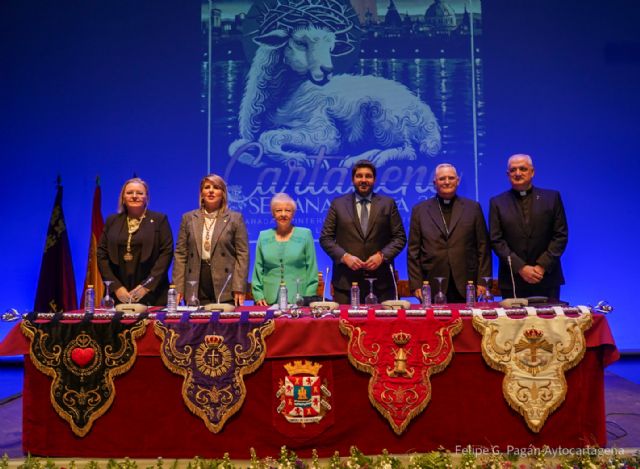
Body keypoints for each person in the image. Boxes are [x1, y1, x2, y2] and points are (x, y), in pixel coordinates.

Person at [319, 159, 407, 304]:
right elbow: (325, 238)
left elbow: (400, 238)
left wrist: (382, 256)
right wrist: (344, 256)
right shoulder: (338, 204)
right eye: (359, 176)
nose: (364, 180)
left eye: (368, 176)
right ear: (353, 179)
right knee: (345, 325)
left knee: (383, 326)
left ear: (374, 179)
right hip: (346, 283)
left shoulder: (388, 204)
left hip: (382, 284)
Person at [407, 163, 491, 303]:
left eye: (451, 178)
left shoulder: (473, 208)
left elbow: (483, 247)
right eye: (442, 179)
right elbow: (413, 251)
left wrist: (483, 281)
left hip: (468, 282)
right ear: (435, 183)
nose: (447, 182)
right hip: (432, 282)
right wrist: (416, 284)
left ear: (457, 181)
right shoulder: (420, 210)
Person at [489, 154, 568, 300]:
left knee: (549, 323)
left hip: (546, 278)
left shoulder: (552, 198)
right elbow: (496, 240)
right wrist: (521, 268)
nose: (518, 173)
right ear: (508, 174)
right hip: (513, 279)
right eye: (513, 170)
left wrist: (541, 266)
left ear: (532, 172)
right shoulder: (497, 203)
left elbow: (560, 236)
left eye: (523, 169)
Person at [173, 174, 249, 306]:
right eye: (207, 187)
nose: (211, 191)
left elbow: (243, 255)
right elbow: (180, 254)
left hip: (226, 283)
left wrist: (239, 286)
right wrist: (178, 287)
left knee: (225, 325)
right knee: (196, 325)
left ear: (223, 193)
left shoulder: (235, 218)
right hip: (195, 282)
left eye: (216, 187)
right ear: (201, 193)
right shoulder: (188, 218)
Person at [97, 177, 173, 305]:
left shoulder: (159, 220)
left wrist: (146, 286)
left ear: (146, 198)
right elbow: (101, 255)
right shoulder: (112, 221)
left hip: (153, 295)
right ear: (123, 197)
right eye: (129, 192)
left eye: (139, 193)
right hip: (119, 296)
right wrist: (116, 287)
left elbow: (166, 254)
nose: (134, 196)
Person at [252, 193, 318, 306]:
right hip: (268, 301)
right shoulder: (263, 236)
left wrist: (308, 298)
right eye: (278, 210)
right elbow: (258, 270)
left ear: (293, 213)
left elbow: (312, 270)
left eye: (287, 210)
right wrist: (258, 295)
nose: (283, 214)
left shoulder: (305, 234)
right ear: (273, 213)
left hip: (298, 299)